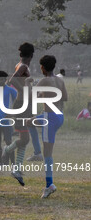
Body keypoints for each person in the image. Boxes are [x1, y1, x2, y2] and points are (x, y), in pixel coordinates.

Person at [27, 55, 68, 198]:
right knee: (30, 122)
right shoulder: (59, 79)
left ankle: (49, 184)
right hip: (59, 116)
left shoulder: (43, 80)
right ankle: (37, 152)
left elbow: (31, 97)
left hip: (49, 118)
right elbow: (64, 98)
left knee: (48, 153)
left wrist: (29, 83)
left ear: (42, 67)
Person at [2, 42, 35, 186]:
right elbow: (12, 80)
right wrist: (24, 91)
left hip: (24, 105)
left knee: (24, 138)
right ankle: (7, 149)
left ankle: (17, 169)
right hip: (22, 105)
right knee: (25, 139)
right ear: (32, 55)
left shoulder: (20, 65)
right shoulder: (23, 66)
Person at [0, 71, 17, 166]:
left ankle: (13, 163)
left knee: (9, 142)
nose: (0, 81)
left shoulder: (11, 90)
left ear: (5, 80)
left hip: (7, 121)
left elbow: (19, 100)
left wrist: (12, 112)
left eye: (2, 79)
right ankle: (0, 163)